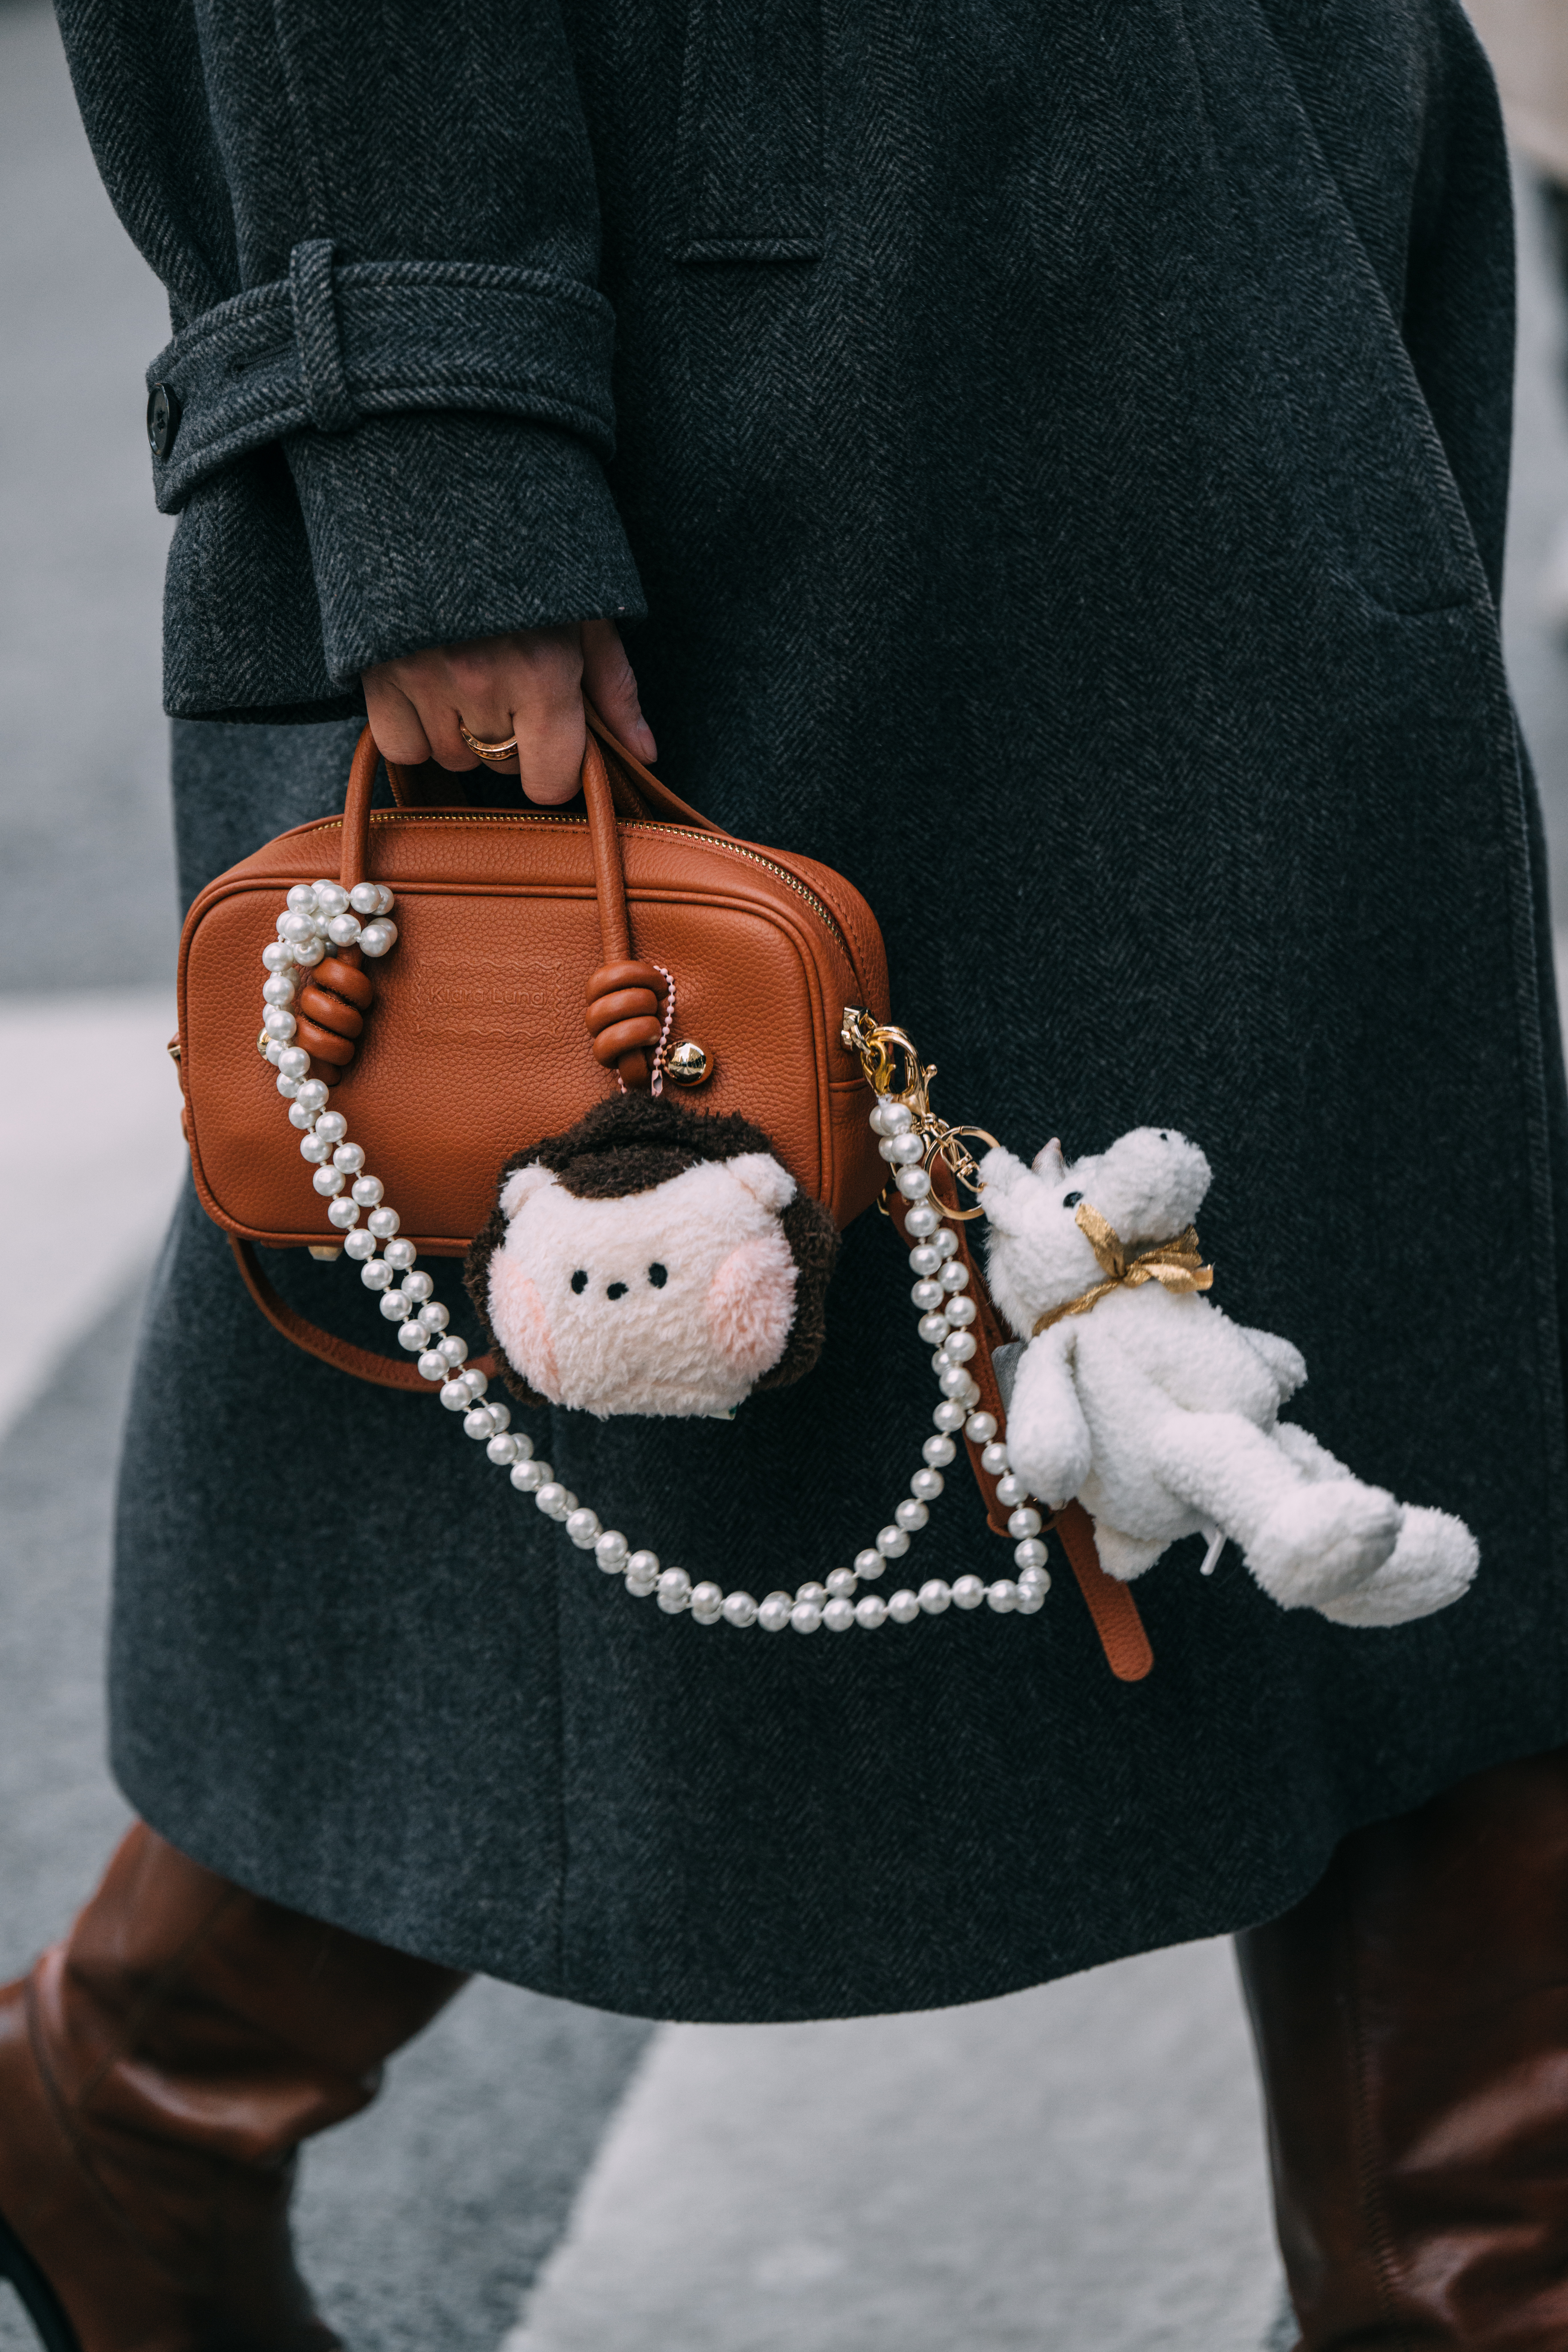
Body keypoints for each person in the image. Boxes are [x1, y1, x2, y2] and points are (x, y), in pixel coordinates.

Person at [3, 1, 1567, 2345]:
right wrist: (430, 430)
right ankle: (137, 2095)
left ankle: (1470, 2277)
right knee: (671, 1363)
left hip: (1213, 209)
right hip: (780, 333)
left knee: (1360, 1344)